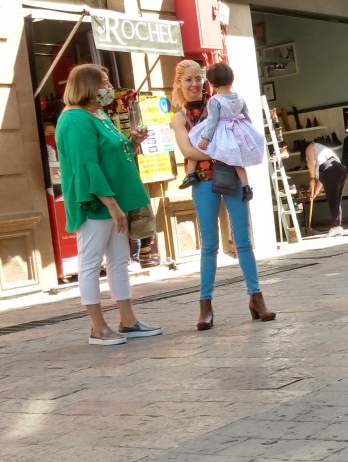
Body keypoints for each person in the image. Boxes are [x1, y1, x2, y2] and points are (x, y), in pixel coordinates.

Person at [55, 64, 162, 345]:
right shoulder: (75, 119)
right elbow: (86, 165)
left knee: (118, 261)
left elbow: (110, 154)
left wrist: (132, 142)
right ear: (87, 86)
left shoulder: (97, 114)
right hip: (95, 202)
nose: (108, 87)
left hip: (112, 199)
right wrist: (112, 205)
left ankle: (128, 321)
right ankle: (97, 327)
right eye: (103, 82)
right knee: (90, 262)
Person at [169, 59, 275, 329]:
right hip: (204, 180)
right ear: (179, 84)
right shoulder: (179, 118)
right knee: (209, 245)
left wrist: (230, 149)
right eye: (188, 80)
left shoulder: (220, 102)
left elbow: (243, 129)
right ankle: (205, 305)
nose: (194, 84)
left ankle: (256, 298)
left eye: (197, 78)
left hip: (230, 177)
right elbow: (189, 152)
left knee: (243, 240)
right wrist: (229, 151)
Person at [179, 62, 265, 202]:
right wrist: (248, 132)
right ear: (231, 80)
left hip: (222, 131)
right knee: (237, 161)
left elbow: (212, 121)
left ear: (211, 84)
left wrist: (206, 138)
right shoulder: (239, 97)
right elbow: (247, 117)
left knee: (195, 139)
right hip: (238, 129)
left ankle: (190, 173)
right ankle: (246, 186)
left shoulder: (215, 100)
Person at [297, 139, 348, 237]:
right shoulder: (322, 151)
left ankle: (335, 227)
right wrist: (315, 193)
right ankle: (338, 227)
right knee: (336, 200)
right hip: (341, 169)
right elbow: (322, 179)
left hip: (330, 170)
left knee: (333, 200)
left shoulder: (310, 146)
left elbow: (311, 162)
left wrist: (312, 178)